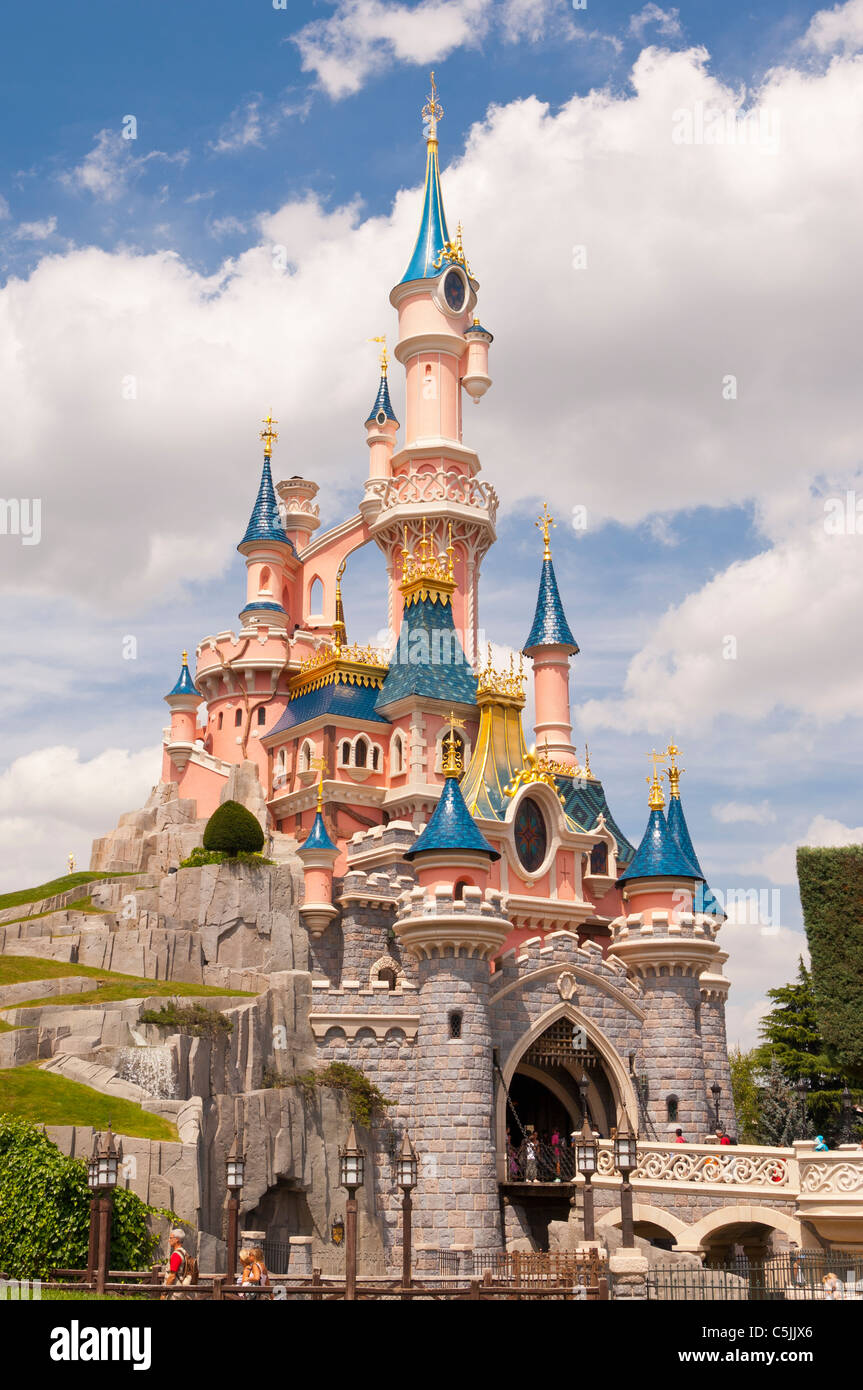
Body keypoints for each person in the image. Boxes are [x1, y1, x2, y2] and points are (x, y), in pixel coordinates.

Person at [162, 1227, 189, 1299]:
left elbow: (172, 1276)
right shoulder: (184, 1252)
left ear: (177, 1239)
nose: (169, 1240)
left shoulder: (176, 1255)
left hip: (174, 1292)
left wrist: (164, 1293)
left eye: (171, 1238)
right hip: (181, 1289)